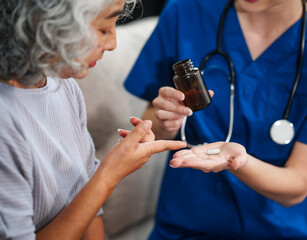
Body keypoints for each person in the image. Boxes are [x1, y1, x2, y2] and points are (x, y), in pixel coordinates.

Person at [124, 0, 307, 239]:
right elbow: (151, 129)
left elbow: (297, 185)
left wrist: (238, 161)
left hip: (291, 227)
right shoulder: (185, 12)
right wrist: (165, 122)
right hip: (192, 221)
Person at [0, 0, 186, 239]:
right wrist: (108, 175)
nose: (113, 44)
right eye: (103, 30)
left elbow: (87, 202)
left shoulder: (63, 85)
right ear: (46, 25)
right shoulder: (6, 123)